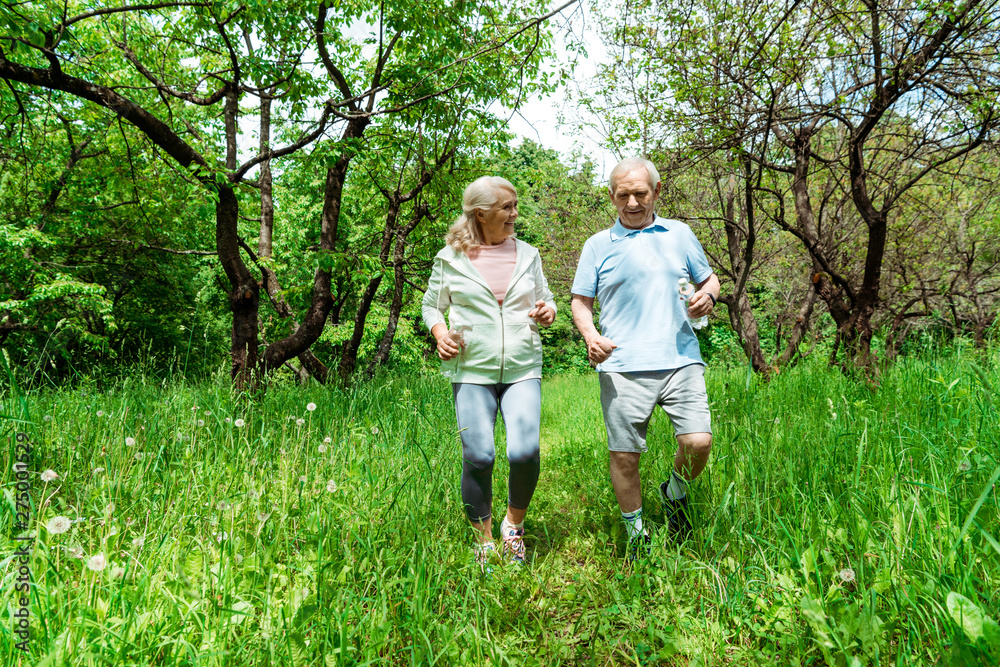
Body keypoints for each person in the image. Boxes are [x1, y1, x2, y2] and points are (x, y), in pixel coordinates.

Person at [570, 157, 720, 560]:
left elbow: (709, 279)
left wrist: (709, 295)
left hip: (680, 357)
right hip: (621, 365)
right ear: (611, 196)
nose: (632, 202)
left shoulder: (680, 233)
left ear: (656, 191)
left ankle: (675, 491)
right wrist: (591, 336)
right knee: (625, 455)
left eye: (640, 193)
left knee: (698, 441)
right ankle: (637, 536)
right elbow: (581, 301)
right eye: (623, 195)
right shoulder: (598, 244)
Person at [422, 176, 556, 569]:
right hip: (472, 369)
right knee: (479, 454)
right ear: (480, 213)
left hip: (522, 365)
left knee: (525, 450)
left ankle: (512, 526)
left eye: (515, 205)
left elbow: (545, 299)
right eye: (507, 207)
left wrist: (547, 311)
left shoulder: (529, 254)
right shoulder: (450, 257)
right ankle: (483, 539)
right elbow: (431, 306)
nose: (516, 213)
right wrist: (440, 332)